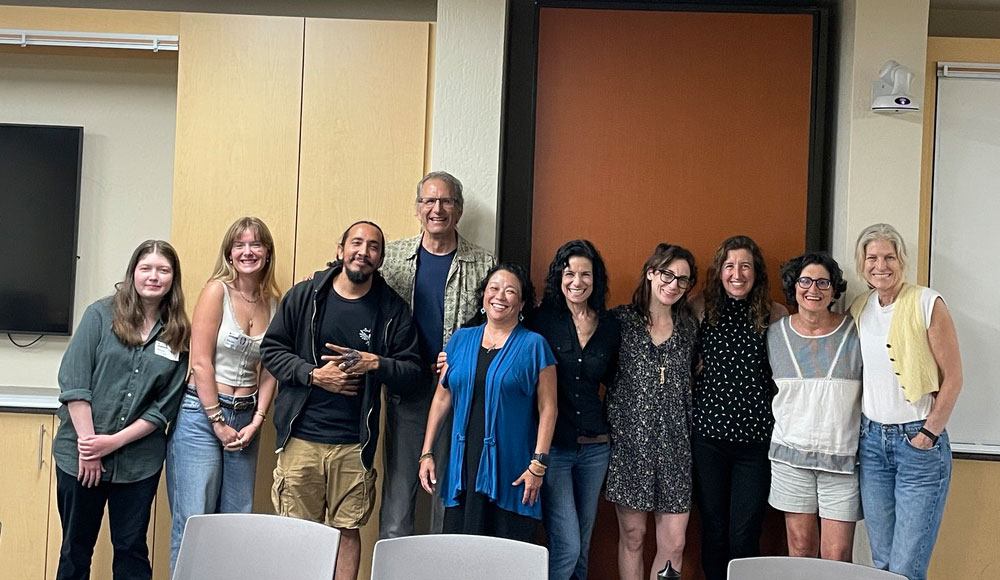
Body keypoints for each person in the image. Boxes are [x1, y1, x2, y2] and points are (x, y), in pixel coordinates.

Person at [260, 220, 423, 580]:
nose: (363, 252)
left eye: (373, 247)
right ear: (340, 249)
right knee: (296, 534)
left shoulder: (391, 310)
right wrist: (313, 375)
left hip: (354, 444)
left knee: (347, 531)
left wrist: (375, 363)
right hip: (300, 438)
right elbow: (271, 350)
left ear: (380, 259)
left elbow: (413, 372)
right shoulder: (305, 296)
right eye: (356, 243)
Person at [53, 240, 190, 580]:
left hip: (137, 462)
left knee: (131, 548)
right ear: (133, 273)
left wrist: (111, 443)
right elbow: (75, 384)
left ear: (173, 278)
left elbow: (163, 408)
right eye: (146, 268)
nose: (154, 277)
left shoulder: (177, 333)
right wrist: (90, 448)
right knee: (75, 549)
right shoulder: (100, 315)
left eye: (163, 270)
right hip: (80, 457)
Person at [380, 170, 495, 537]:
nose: (437, 209)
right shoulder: (392, 257)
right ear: (417, 209)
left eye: (446, 201)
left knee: (449, 499)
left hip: (457, 393)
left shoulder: (484, 265)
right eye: (429, 201)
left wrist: (464, 356)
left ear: (458, 210)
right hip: (407, 392)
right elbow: (355, 288)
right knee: (398, 502)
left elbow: (499, 327)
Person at [165, 217, 281, 571]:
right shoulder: (217, 290)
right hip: (201, 415)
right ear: (229, 253)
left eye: (256, 245)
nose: (248, 252)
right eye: (240, 245)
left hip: (245, 419)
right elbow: (200, 362)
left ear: (267, 252)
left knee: (235, 523)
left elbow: (270, 370)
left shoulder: (274, 302)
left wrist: (258, 420)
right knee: (194, 522)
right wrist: (217, 420)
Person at [850, 223, 962, 580]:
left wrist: (928, 435)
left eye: (888, 256)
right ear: (862, 263)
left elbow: (954, 378)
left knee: (906, 568)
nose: (880, 265)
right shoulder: (860, 306)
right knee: (881, 563)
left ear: (902, 260)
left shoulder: (927, 302)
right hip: (871, 445)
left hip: (918, 446)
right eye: (872, 257)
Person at [418, 263, 557, 542]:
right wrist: (427, 452)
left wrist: (538, 464)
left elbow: (548, 408)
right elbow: (443, 397)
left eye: (510, 292)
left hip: (514, 470)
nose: (500, 296)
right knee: (460, 555)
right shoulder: (460, 340)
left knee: (506, 556)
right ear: (483, 296)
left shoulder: (534, 345)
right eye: (494, 288)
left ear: (522, 303)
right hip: (463, 467)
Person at [689, 235, 788, 580]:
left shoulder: (775, 314)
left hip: (756, 443)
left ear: (756, 272)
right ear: (719, 271)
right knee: (714, 530)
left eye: (745, 266)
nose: (737, 273)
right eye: (729, 265)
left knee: (744, 535)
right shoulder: (698, 308)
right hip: (708, 440)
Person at [606, 243, 699, 580]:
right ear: (650, 272)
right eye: (667, 274)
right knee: (633, 537)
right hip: (631, 448)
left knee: (674, 543)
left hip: (677, 449)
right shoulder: (619, 322)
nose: (673, 284)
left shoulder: (691, 328)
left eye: (683, 279)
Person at [532, 240, 620, 580]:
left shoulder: (611, 326)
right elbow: (495, 320)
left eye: (586, 274)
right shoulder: (542, 320)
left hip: (597, 449)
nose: (577, 281)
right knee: (566, 543)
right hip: (554, 449)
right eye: (569, 273)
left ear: (596, 279)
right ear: (559, 277)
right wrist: (453, 352)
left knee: (582, 545)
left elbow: (617, 379)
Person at [767, 252, 862, 561]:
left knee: (837, 554)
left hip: (843, 459)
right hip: (791, 456)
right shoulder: (774, 334)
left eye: (824, 282)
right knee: (801, 549)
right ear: (793, 287)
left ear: (834, 290)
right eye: (805, 281)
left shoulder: (855, 331)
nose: (814, 289)